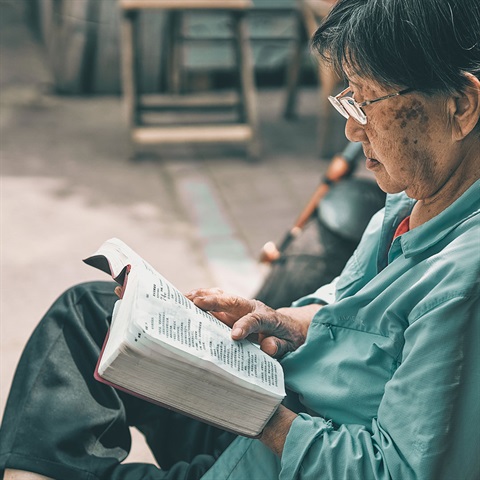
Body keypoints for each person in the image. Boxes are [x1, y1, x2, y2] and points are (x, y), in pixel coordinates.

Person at [2, 0, 479, 478]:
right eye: (348, 98)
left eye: (368, 101)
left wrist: (255, 413)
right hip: (270, 405)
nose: (352, 128)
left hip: (283, 453)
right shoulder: (407, 202)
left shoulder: (463, 283)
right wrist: (280, 320)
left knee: (55, 463)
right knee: (90, 315)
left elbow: (392, 470)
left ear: (460, 107)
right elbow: (345, 308)